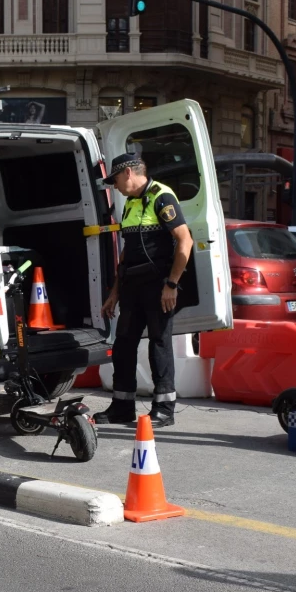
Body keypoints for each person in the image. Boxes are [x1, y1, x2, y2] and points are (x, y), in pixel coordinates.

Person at [93, 153, 193, 429]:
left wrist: (171, 284)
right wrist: (114, 292)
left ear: (127, 173)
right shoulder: (129, 204)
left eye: (114, 180)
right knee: (123, 345)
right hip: (132, 287)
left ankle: (164, 409)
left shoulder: (162, 196)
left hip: (158, 285)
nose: (114, 186)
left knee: (159, 343)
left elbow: (185, 241)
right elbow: (126, 254)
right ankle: (122, 407)